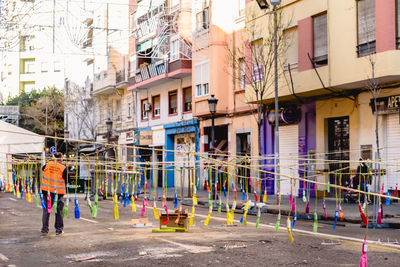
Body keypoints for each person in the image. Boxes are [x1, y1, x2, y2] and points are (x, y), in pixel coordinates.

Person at [41, 152, 67, 235]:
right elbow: (67, 179)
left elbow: (42, 168)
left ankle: (44, 230)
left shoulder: (47, 165)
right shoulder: (63, 167)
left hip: (46, 191)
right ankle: (58, 230)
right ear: (61, 159)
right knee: (58, 211)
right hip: (58, 193)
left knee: (46, 211)